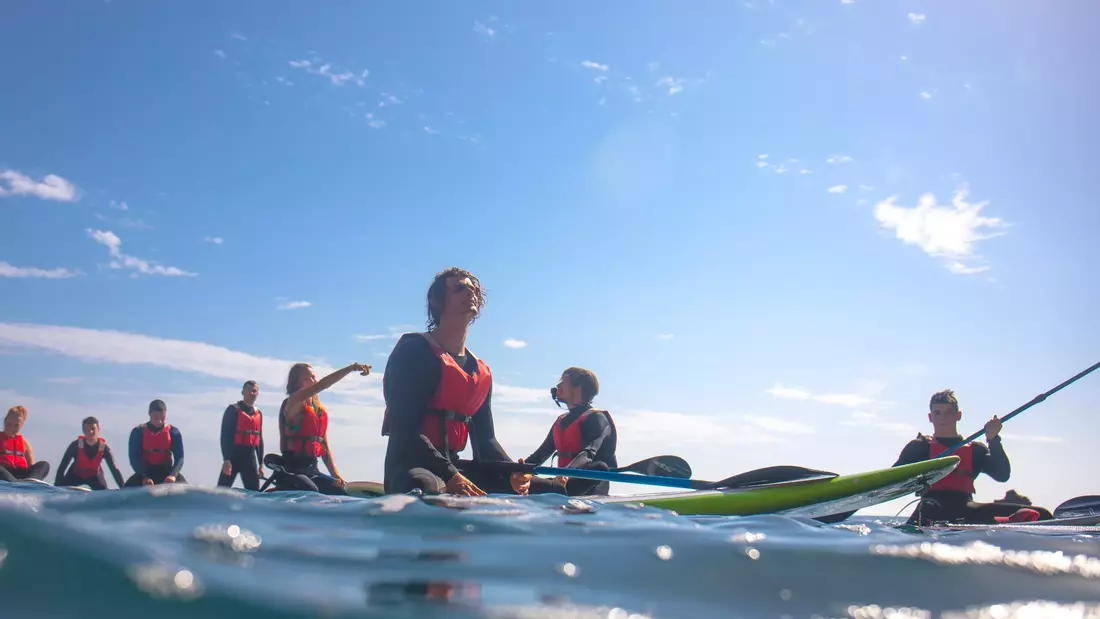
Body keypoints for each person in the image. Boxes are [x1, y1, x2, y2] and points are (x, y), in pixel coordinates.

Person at [381, 267, 533, 497]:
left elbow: (486, 440)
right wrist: (450, 475)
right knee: (428, 488)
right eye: (459, 288)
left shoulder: (480, 371)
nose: (469, 293)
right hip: (411, 466)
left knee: (546, 490)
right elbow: (404, 429)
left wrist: (513, 471)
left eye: (473, 290)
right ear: (436, 300)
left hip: (454, 466)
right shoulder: (414, 351)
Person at [893, 389, 1051, 525]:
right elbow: (893, 480)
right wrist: (915, 482)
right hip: (930, 508)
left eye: (948, 413)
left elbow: (1002, 475)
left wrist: (993, 439)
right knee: (929, 507)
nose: (943, 418)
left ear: (958, 415)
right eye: (937, 413)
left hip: (965, 508)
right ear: (930, 417)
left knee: (1043, 514)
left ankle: (1005, 523)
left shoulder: (975, 450)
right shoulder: (919, 447)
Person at [269, 361, 369, 495]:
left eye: (313, 377)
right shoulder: (293, 401)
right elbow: (321, 385)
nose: (313, 381)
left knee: (340, 492)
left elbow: (324, 447)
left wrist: (336, 476)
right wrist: (350, 368)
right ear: (295, 382)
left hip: (312, 470)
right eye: (307, 378)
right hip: (291, 469)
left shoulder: (317, 410)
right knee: (311, 493)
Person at [523, 367, 619, 496]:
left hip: (588, 491)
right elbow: (539, 456)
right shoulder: (562, 421)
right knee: (514, 479)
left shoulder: (597, 419)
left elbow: (588, 453)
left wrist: (566, 473)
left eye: (563, 380)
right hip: (562, 486)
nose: (558, 385)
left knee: (599, 466)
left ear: (578, 386)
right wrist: (517, 470)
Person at [124, 399, 187, 486]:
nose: (159, 421)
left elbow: (180, 457)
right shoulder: (138, 432)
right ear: (150, 414)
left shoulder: (173, 432)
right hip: (146, 472)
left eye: (162, 417)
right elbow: (134, 457)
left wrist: (173, 475)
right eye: (156, 417)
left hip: (166, 473)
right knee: (125, 491)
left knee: (185, 488)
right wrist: (144, 476)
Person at [216, 380, 265, 491]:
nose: (252, 393)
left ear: (257, 393)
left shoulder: (258, 413)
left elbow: (259, 439)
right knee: (220, 492)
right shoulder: (233, 410)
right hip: (233, 456)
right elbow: (225, 436)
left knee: (254, 493)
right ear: (243, 392)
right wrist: (226, 459)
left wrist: (261, 463)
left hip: (249, 457)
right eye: (249, 391)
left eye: (254, 391)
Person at [54, 416, 127, 490]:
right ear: (83, 431)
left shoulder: (104, 448)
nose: (90, 432)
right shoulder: (75, 445)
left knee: (103, 491)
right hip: (75, 476)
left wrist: (123, 488)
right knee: (63, 485)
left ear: (98, 429)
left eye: (93, 429)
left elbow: (114, 470)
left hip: (94, 478)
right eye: (87, 430)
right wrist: (56, 487)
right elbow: (62, 468)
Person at [0, 405, 50, 482]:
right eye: (9, 424)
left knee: (44, 465)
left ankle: (30, 483)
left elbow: (31, 466)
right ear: (5, 421)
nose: (12, 428)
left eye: (16, 425)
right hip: (4, 473)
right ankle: (15, 484)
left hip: (22, 474)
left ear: (22, 425)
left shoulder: (25, 443)